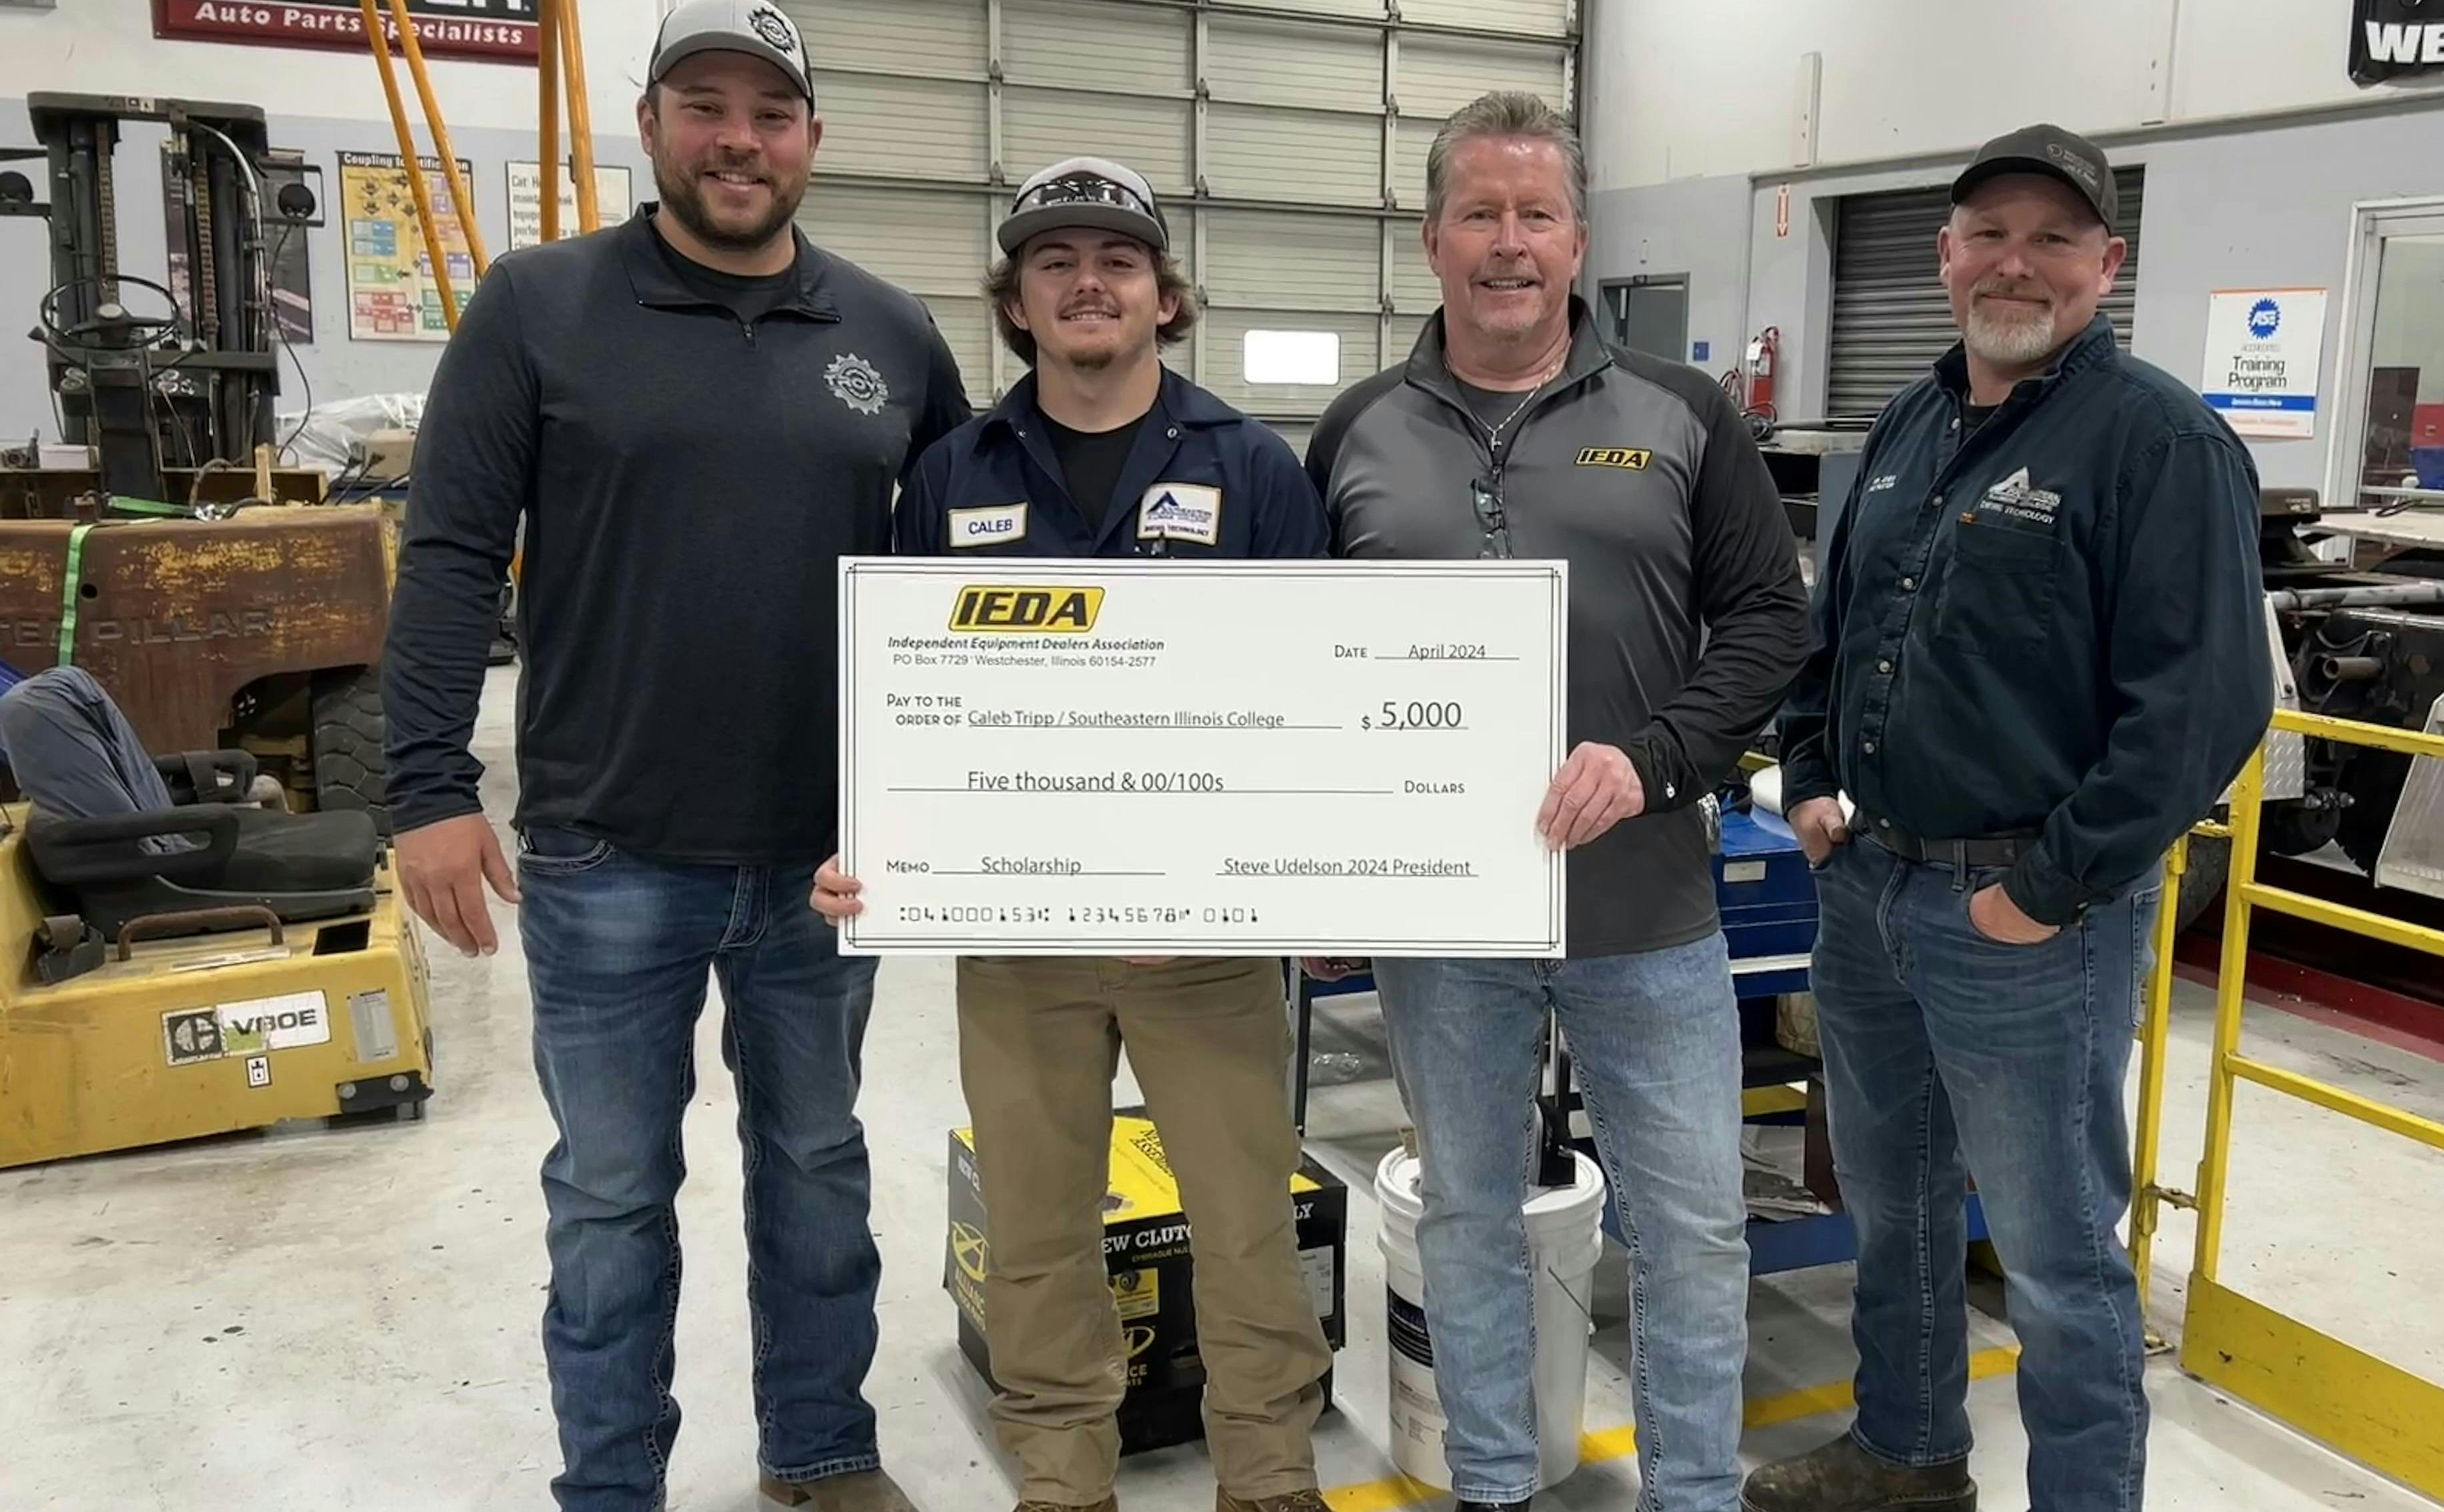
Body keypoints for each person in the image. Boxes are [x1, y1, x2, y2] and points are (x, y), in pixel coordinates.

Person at [381, 3, 972, 1508]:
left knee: (819, 1170)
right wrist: (426, 788)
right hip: (607, 849)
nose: (738, 141)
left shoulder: (892, 333)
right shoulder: (537, 306)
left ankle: (822, 1452)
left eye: (770, 114)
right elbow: (451, 554)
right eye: (705, 105)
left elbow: (961, 579)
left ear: (813, 140)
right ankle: (612, 1485)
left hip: (827, 861)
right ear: (649, 124)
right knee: (609, 1196)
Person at [1743, 125, 2272, 1512]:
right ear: (1946, 257)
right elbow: (1839, 627)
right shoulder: (1909, 424)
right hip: (1871, 889)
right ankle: (1908, 1458)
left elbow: (2205, 709)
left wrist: (2046, 889)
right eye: (1989, 235)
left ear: (2109, 262)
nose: (2015, 265)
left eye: (2052, 240)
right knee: (1894, 1210)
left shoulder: (2159, 441)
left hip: (2034, 923)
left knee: (2056, 1258)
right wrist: (1811, 777)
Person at [809, 155, 1334, 1512]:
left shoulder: (1253, 469)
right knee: (1038, 1232)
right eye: (1056, 262)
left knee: (1245, 1228)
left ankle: (1269, 1475)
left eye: (1118, 261)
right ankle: (1062, 1479)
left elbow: (1312, 696)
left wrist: (1307, 875)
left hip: (1205, 946)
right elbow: (902, 695)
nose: (1087, 282)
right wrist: (874, 842)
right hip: (1018, 941)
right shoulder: (949, 477)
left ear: (1166, 297)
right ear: (1016, 303)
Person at [1303, 91, 1805, 1512]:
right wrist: (1316, 870)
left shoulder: (1683, 416)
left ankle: (1694, 1492)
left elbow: (1770, 620)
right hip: (1442, 925)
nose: (1508, 244)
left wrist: (1653, 758)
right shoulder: (1356, 431)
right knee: (1467, 1216)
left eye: (1537, 215)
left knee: (1695, 1228)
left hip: (1645, 905)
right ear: (1431, 239)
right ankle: (1494, 1486)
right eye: (1480, 213)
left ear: (1579, 243)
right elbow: (1301, 666)